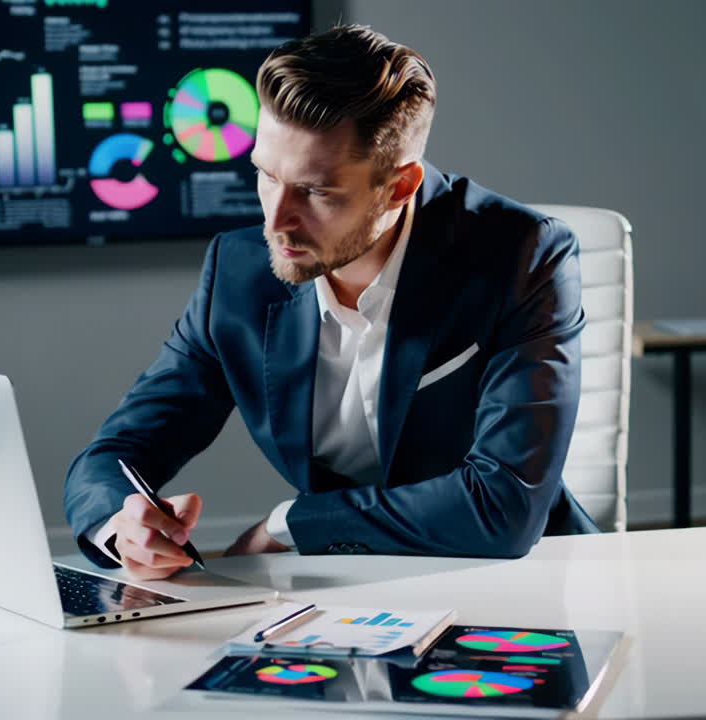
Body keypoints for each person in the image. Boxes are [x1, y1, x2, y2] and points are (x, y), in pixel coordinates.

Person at [65, 25, 596, 581]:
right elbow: (114, 454)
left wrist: (290, 524)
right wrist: (123, 526)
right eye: (266, 175)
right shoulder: (238, 273)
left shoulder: (522, 255)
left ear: (399, 186)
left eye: (316, 191)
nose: (276, 220)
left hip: (519, 581)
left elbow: (502, 507)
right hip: (337, 587)